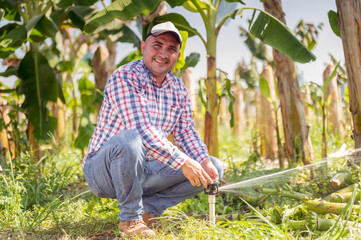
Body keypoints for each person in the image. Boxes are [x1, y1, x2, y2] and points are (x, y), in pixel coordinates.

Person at [82, 21, 223, 238]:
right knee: (130, 139)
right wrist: (184, 162)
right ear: (143, 47)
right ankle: (130, 219)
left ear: (177, 55)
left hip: (146, 168)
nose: (163, 53)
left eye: (171, 49)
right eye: (157, 45)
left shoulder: (178, 89)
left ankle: (148, 212)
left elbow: (185, 133)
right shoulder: (125, 77)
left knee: (213, 167)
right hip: (105, 171)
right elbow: (141, 128)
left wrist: (202, 160)